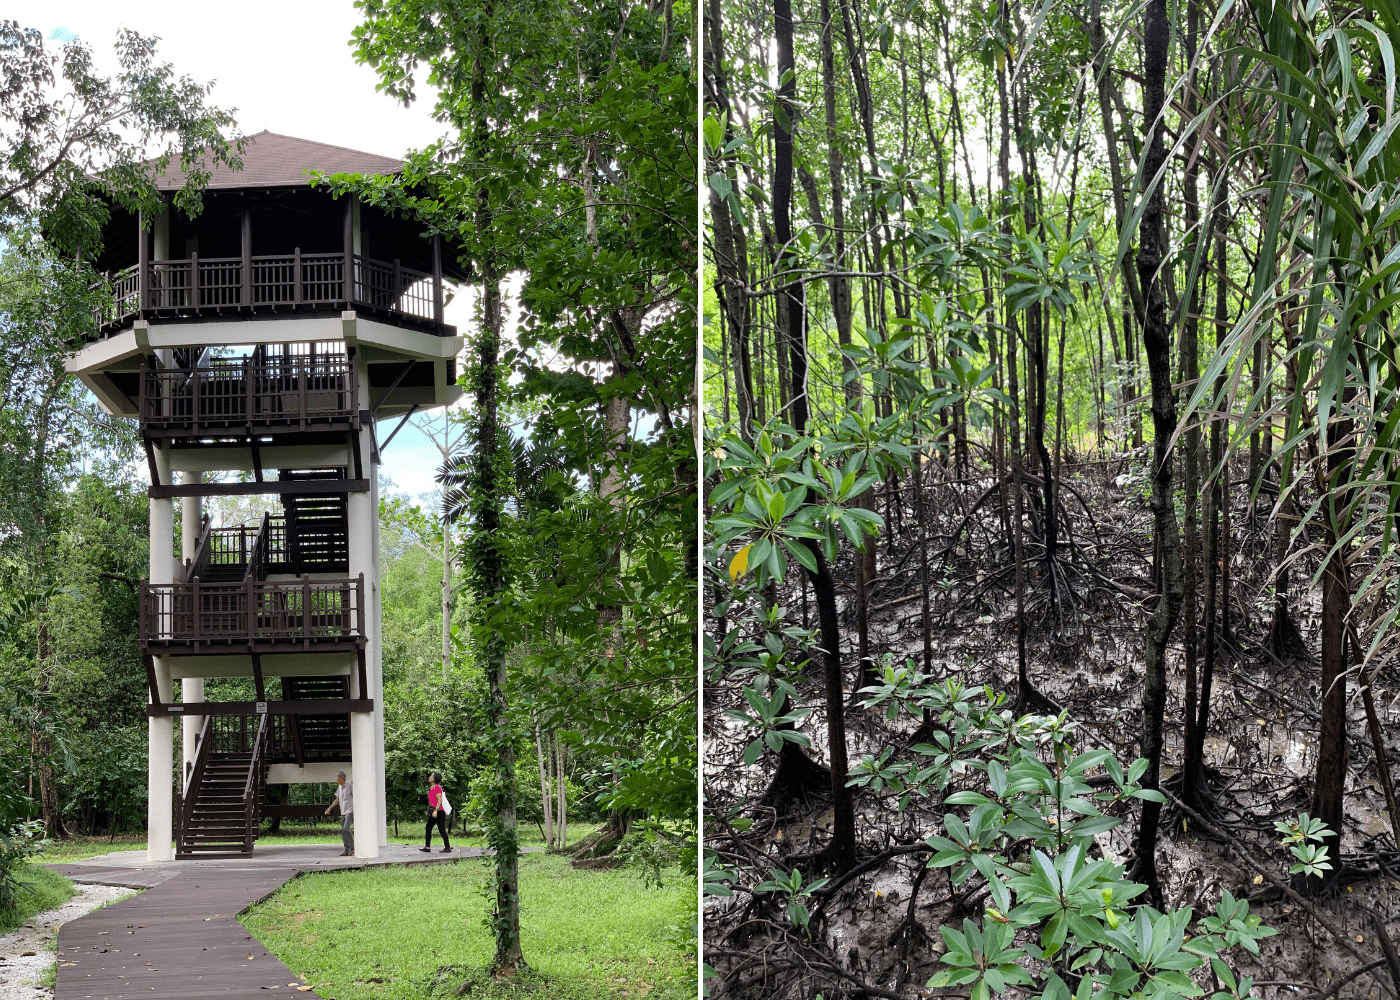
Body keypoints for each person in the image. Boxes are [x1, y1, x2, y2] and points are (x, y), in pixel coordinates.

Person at [420, 771, 451, 853]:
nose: (429, 777)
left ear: (434, 779)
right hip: (433, 810)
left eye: (431, 776)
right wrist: (430, 810)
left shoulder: (437, 788)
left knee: (441, 829)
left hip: (439, 811)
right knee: (428, 827)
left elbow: (439, 801)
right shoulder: (432, 788)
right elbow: (431, 801)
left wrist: (436, 811)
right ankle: (427, 847)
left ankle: (447, 847)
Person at [324, 770, 354, 856]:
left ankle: (353, 848)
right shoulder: (339, 787)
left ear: (341, 778)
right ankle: (346, 850)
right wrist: (329, 808)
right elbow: (337, 799)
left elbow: (356, 797)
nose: (335, 779)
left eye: (336, 777)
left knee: (346, 828)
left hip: (349, 811)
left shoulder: (349, 785)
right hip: (343, 811)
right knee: (343, 831)